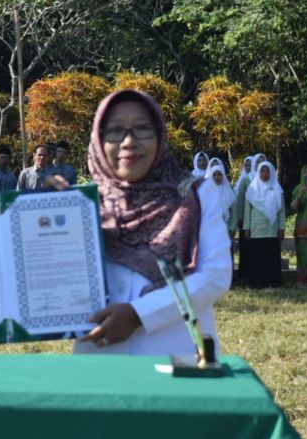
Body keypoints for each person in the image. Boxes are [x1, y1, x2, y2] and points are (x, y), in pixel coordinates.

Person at [72, 89, 231, 355]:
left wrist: (139, 314)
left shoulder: (196, 195)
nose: (128, 142)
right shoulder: (80, 204)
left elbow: (215, 275)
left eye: (142, 128)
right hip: (98, 358)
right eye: (115, 131)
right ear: (98, 140)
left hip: (173, 355)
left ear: (159, 135)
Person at [243, 161, 285, 288]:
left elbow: (281, 211)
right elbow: (247, 211)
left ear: (271, 173)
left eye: (267, 171)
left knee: (272, 255)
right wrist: (246, 228)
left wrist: (282, 228)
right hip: (256, 228)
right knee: (258, 257)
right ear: (258, 172)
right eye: (262, 171)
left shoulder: (277, 189)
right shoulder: (252, 189)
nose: (264, 174)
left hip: (272, 228)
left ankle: (273, 282)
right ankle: (258, 283)